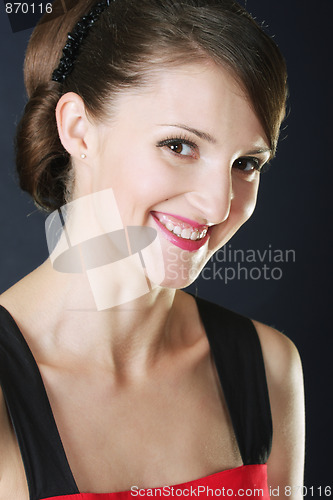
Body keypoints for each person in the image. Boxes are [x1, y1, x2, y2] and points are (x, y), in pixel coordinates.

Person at [0, 0, 305, 499]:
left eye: (246, 163)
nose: (217, 204)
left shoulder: (269, 369)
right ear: (77, 128)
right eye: (180, 145)